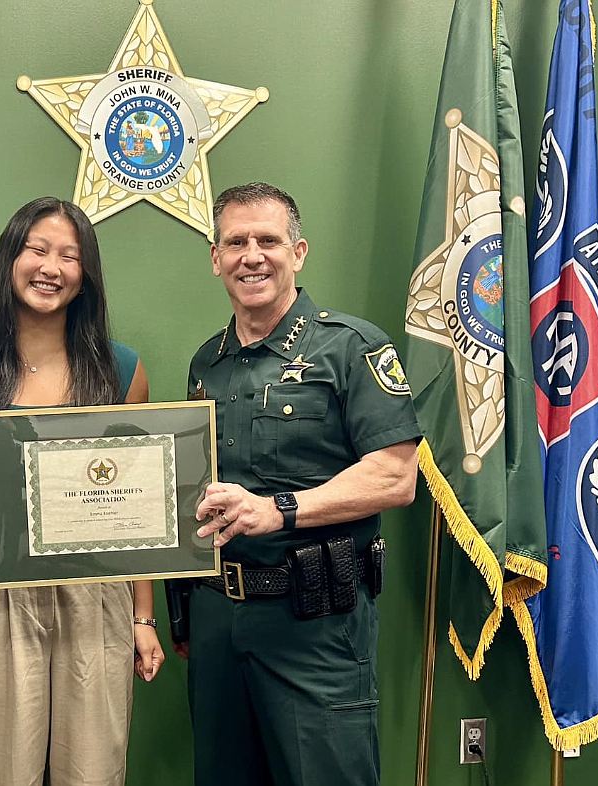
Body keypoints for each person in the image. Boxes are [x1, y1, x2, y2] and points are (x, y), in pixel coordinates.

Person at [0, 197, 164, 786]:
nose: (51, 266)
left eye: (69, 256)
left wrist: (143, 616)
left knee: (92, 768)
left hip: (95, 585)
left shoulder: (121, 370)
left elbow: (138, 511)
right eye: (38, 249)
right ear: (11, 260)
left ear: (85, 279)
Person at [180, 182, 420, 786]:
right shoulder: (205, 363)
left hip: (314, 624)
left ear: (300, 252)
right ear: (216, 258)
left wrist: (280, 510)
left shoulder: (352, 347)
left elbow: (395, 476)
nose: (251, 256)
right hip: (218, 623)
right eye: (235, 242)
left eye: (269, 240)